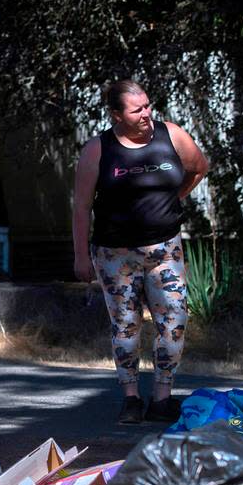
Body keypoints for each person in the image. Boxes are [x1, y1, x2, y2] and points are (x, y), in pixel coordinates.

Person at [72, 80, 209, 424]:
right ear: (117, 115)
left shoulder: (172, 135)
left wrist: (172, 199)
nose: (147, 114)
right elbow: (81, 206)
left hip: (164, 248)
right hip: (115, 254)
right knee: (126, 327)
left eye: (148, 106)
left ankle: (162, 398)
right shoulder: (98, 150)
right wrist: (80, 256)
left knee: (174, 321)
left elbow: (198, 168)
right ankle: (131, 398)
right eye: (137, 109)